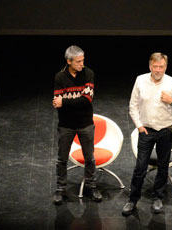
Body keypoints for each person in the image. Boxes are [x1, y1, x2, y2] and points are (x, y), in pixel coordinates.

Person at [123, 52, 172, 215]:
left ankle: (158, 197)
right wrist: (138, 125)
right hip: (146, 131)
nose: (158, 70)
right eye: (155, 66)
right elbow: (133, 105)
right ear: (150, 66)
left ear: (166, 67)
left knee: (163, 166)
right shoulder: (140, 80)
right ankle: (132, 200)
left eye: (161, 67)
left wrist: (171, 101)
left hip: (166, 131)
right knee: (140, 167)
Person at [52, 45, 101, 204]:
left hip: (85, 123)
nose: (82, 64)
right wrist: (70, 101)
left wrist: (65, 102)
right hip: (66, 125)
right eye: (78, 61)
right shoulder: (59, 77)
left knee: (90, 158)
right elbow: (56, 102)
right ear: (69, 61)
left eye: (83, 60)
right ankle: (60, 189)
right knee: (62, 159)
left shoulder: (89, 73)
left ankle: (91, 186)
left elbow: (86, 100)